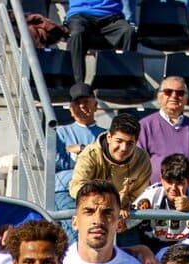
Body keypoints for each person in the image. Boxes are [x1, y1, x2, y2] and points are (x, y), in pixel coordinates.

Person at [69, 113, 152, 223]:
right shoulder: (89, 154)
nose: (123, 148)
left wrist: (126, 203)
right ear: (109, 137)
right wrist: (111, 201)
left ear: (136, 142)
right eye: (119, 141)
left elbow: (139, 193)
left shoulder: (142, 159)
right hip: (91, 210)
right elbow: (76, 188)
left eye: (130, 143)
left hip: (124, 214)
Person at [136, 76, 189, 182]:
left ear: (186, 98)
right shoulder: (145, 126)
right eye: (168, 92)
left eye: (180, 93)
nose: (174, 96)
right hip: (155, 192)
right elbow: (138, 164)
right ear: (159, 96)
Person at [55, 83, 104, 224]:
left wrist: (81, 149)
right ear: (70, 109)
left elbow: (106, 162)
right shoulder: (59, 132)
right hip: (65, 189)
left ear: (95, 105)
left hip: (98, 190)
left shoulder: (106, 134)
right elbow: (57, 162)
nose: (82, 106)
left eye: (86, 102)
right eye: (77, 103)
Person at [130, 153, 189, 249]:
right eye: (169, 182)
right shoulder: (152, 194)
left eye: (179, 183)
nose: (173, 188)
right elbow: (126, 222)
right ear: (162, 180)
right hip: (156, 246)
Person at [65, 0, 136, 85]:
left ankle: (124, 83)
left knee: (128, 31)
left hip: (112, 16)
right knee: (77, 34)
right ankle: (76, 86)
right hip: (80, 14)